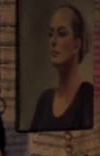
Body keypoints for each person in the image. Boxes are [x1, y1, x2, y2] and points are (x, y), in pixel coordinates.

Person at [29, 3, 93, 131]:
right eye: (50, 34)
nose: (53, 41)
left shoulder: (88, 97)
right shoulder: (45, 100)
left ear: (77, 44)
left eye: (62, 33)